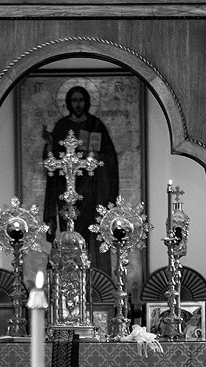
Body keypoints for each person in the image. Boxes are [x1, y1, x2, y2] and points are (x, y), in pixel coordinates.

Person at [41, 86, 120, 263]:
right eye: (74, 100)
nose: (78, 104)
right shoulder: (62, 126)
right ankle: (69, 266)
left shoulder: (96, 125)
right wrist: (49, 144)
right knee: (69, 228)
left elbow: (110, 158)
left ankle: (91, 269)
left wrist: (96, 157)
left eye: (81, 100)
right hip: (66, 188)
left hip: (91, 188)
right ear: (69, 103)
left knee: (90, 230)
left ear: (87, 102)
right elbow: (51, 162)